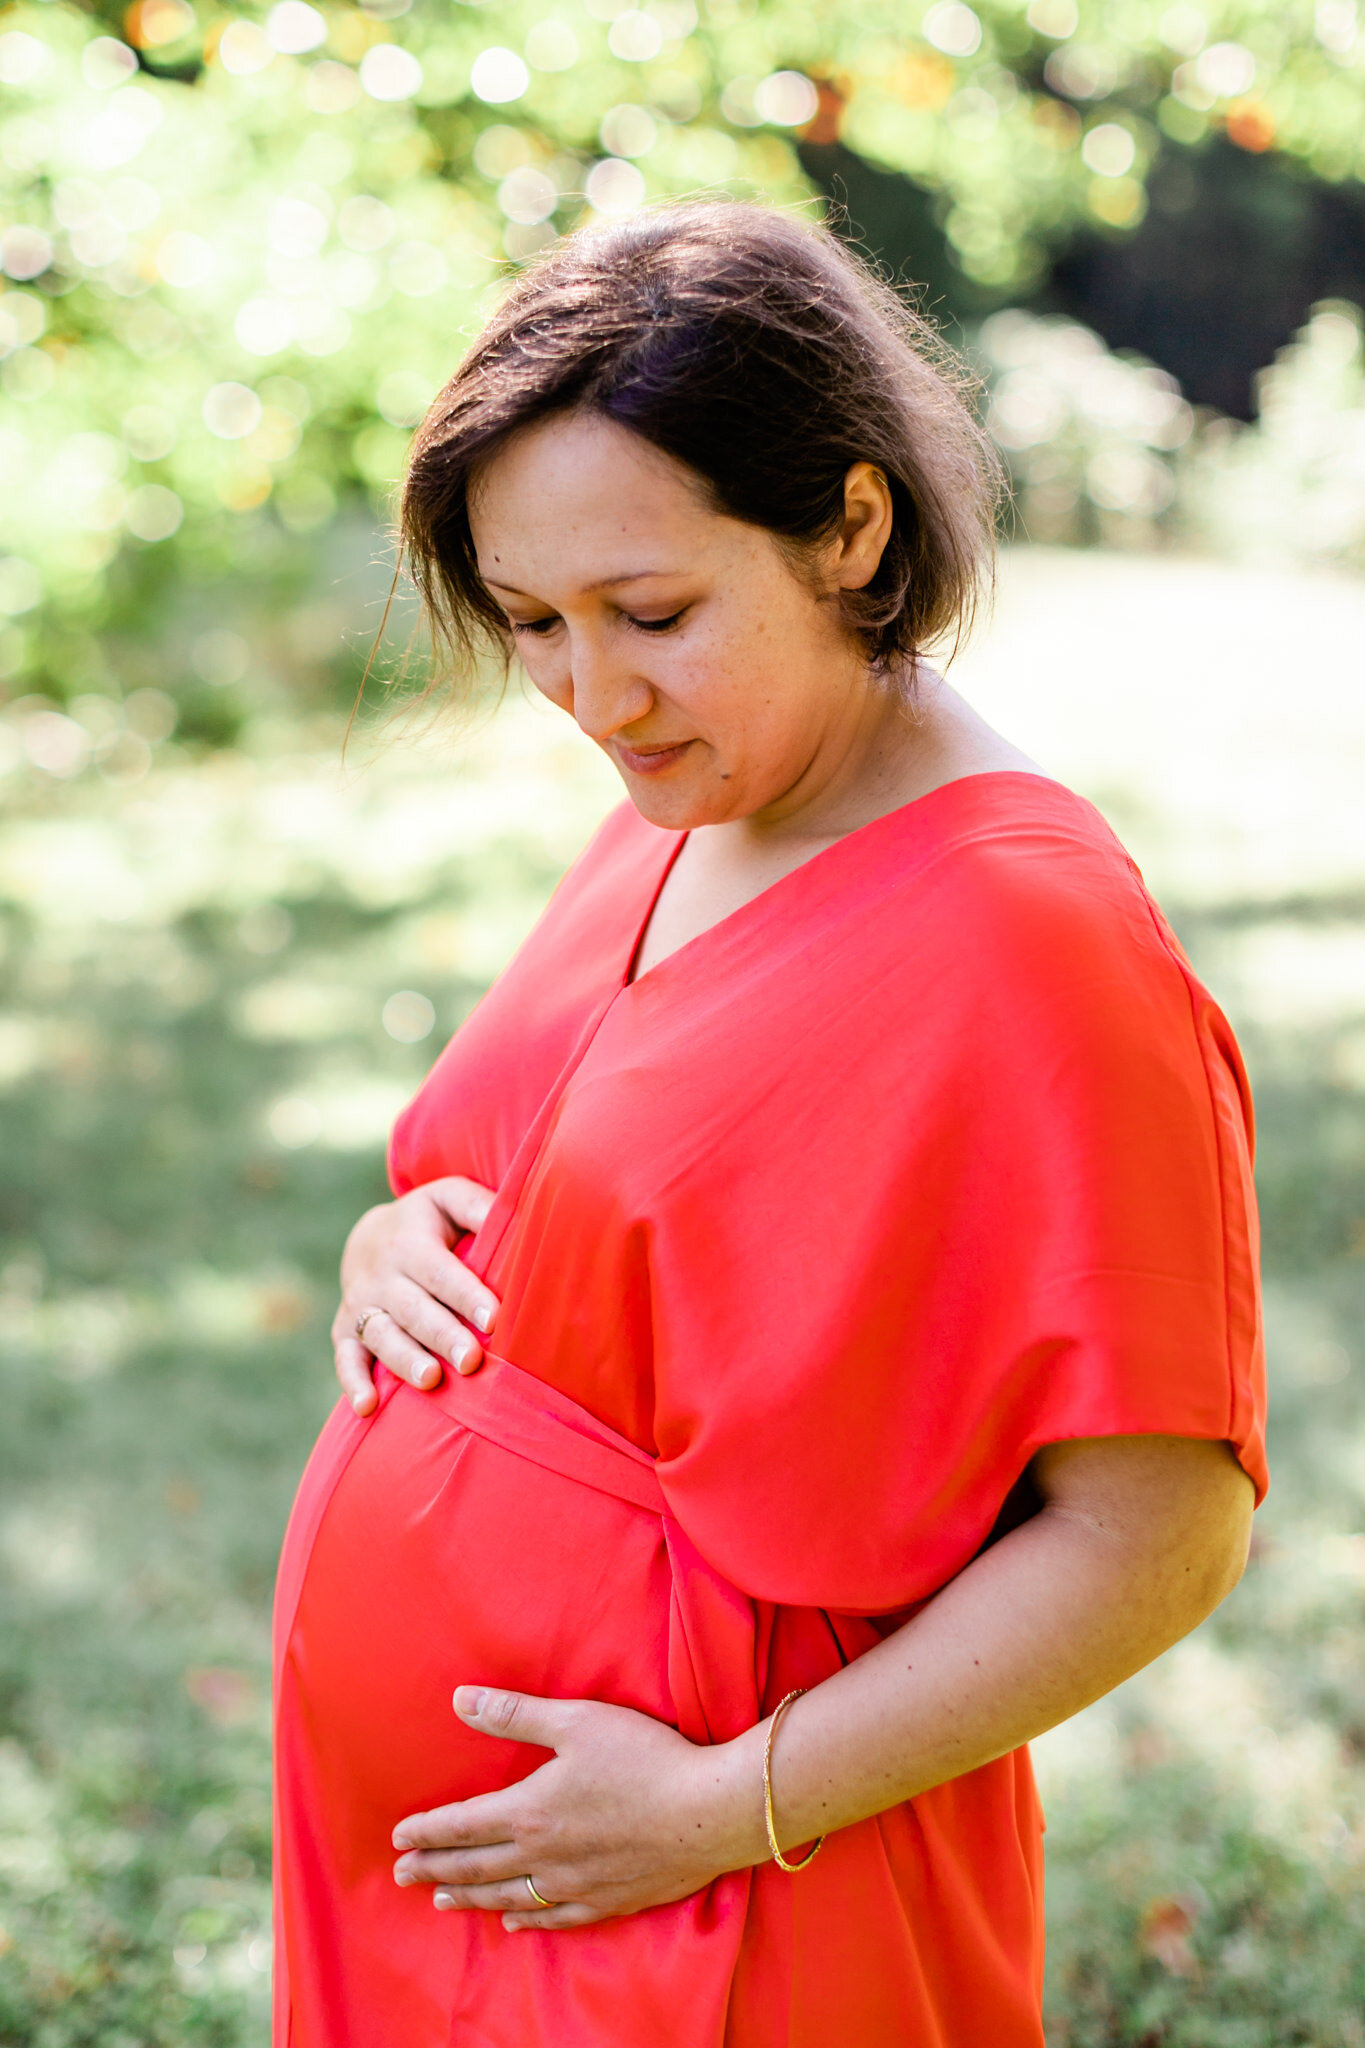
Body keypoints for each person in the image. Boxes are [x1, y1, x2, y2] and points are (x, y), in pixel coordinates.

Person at [272, 201, 1266, 2047]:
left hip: (728, 1900)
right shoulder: (705, 786)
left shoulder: (1030, 934)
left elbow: (1163, 1530)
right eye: (534, 624)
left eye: (652, 613)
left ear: (850, 528)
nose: (593, 696)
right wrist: (392, 1240)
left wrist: (713, 1813)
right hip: (467, 1886)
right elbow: (581, 1179)